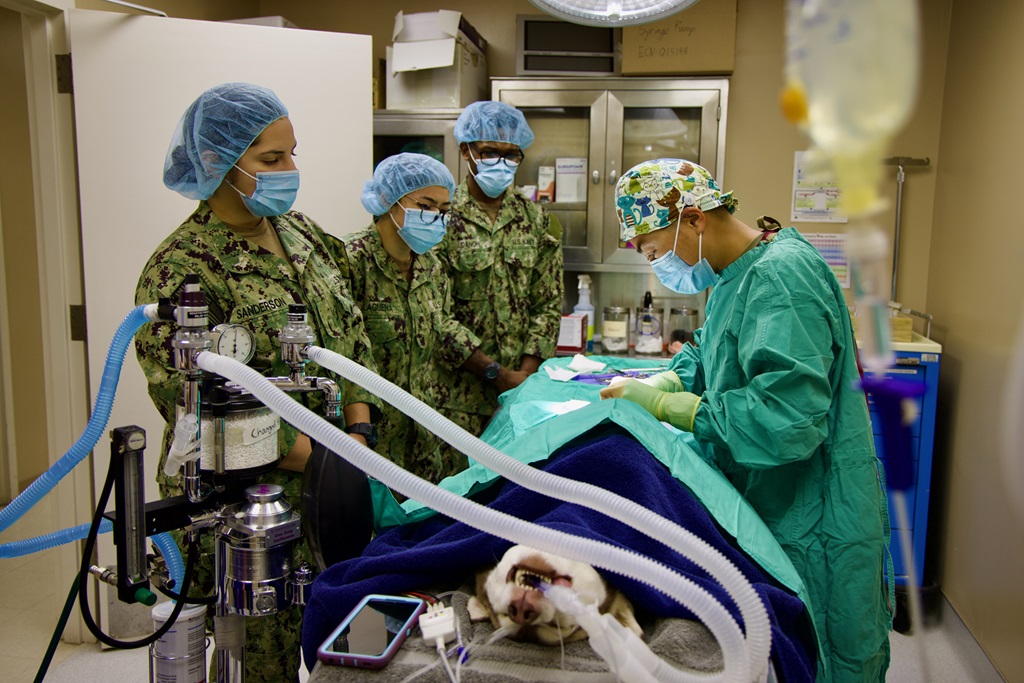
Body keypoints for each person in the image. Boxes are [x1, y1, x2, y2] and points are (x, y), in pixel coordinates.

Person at [600, 159, 892, 682]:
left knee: (820, 652)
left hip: (812, 515)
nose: (655, 267)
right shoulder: (739, 273)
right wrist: (670, 382)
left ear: (692, 219)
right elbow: (713, 354)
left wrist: (671, 408)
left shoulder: (782, 277)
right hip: (771, 500)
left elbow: (787, 419)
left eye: (652, 250)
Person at [135, 82, 381, 683]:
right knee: (263, 664)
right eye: (271, 160)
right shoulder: (182, 271)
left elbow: (351, 335)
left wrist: (358, 430)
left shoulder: (301, 235)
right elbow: (204, 415)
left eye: (292, 153)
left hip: (340, 490)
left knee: (355, 646)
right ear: (217, 163)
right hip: (253, 522)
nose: (290, 170)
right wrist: (331, 460)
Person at [344, 153, 479, 483]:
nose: (435, 217)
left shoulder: (431, 267)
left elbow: (439, 328)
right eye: (425, 204)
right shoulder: (349, 261)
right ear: (389, 200)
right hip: (372, 445)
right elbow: (344, 355)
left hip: (424, 443)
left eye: (444, 210)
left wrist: (494, 370)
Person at [435, 100, 564, 435]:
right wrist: (496, 373)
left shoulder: (535, 219)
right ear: (466, 151)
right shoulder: (441, 217)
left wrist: (524, 375)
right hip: (457, 400)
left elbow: (548, 303)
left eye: (511, 154)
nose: (502, 163)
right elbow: (434, 313)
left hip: (523, 394)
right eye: (490, 152)